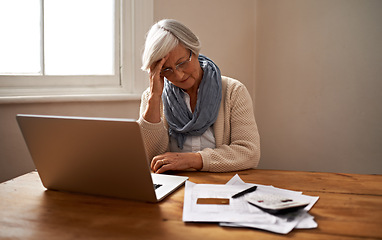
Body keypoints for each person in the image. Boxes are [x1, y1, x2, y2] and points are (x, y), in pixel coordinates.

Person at [138, 19, 260, 174]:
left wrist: (192, 160)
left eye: (182, 63)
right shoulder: (152, 98)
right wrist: (154, 97)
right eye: (166, 69)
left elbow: (249, 153)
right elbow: (150, 158)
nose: (178, 74)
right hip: (174, 185)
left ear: (194, 50)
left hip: (223, 184)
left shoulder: (233, 91)